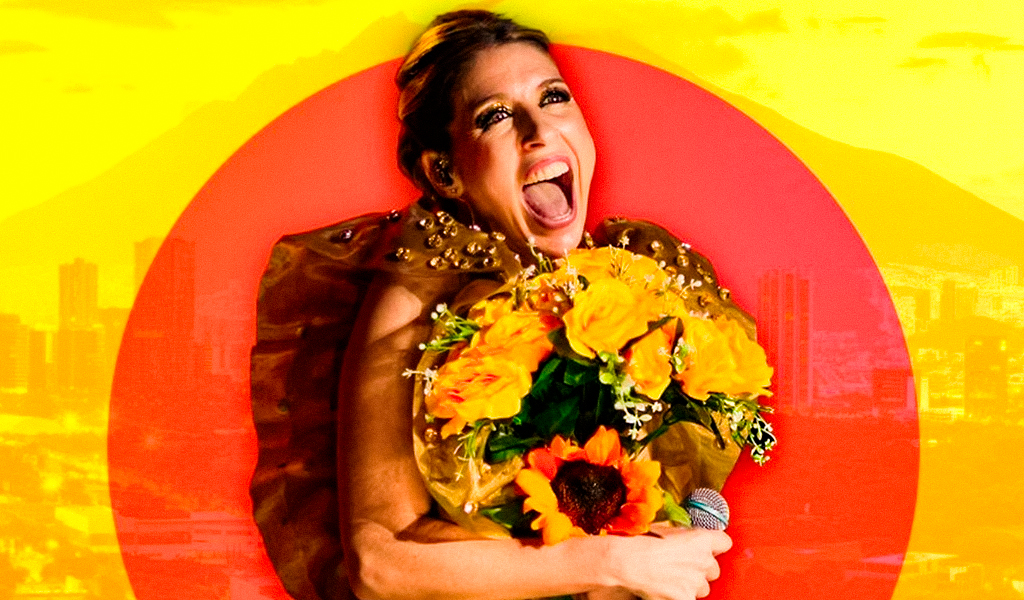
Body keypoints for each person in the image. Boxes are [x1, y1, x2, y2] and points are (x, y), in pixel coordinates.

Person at [250, 10, 732, 600]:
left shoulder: (622, 281)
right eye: (495, 116)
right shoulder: (417, 296)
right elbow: (379, 563)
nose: (539, 130)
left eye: (553, 97)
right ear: (444, 171)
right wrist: (611, 561)